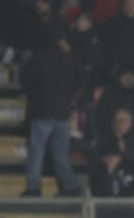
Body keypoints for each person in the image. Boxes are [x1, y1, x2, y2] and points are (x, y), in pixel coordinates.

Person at [19, 22, 83, 198]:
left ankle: (34, 187)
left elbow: (25, 80)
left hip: (41, 111)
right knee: (61, 152)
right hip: (62, 112)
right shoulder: (70, 59)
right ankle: (70, 186)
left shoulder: (37, 58)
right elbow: (80, 82)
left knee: (37, 151)